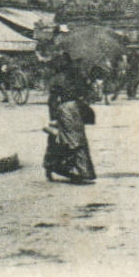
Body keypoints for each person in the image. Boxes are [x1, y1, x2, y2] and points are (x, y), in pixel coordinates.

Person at [43, 49, 97, 183]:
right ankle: (79, 170)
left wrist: (53, 118)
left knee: (65, 139)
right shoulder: (76, 76)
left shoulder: (58, 79)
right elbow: (87, 93)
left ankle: (54, 166)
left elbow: (52, 101)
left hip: (66, 109)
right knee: (75, 140)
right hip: (72, 109)